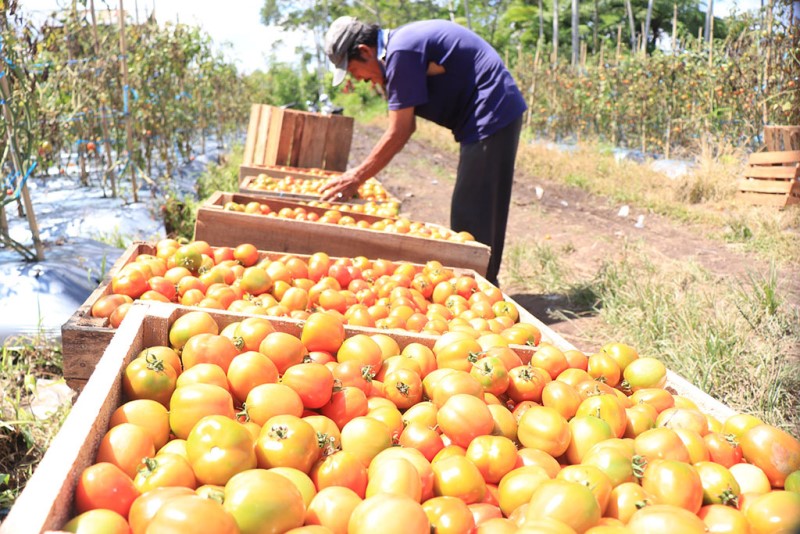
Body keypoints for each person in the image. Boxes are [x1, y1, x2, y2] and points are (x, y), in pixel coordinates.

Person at [320, 17, 526, 287]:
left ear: (365, 51)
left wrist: (356, 177)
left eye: (353, 69)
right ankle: (484, 286)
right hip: (490, 115)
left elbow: (400, 130)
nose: (357, 79)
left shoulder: (401, 52)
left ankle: (478, 293)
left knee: (470, 213)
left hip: (492, 112)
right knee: (481, 207)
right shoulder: (400, 50)